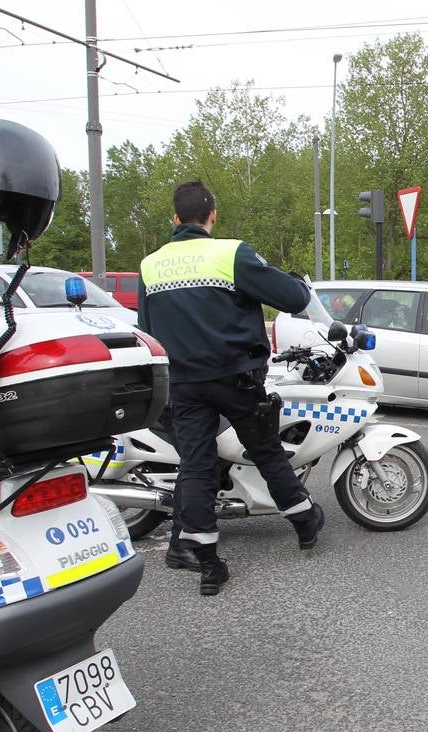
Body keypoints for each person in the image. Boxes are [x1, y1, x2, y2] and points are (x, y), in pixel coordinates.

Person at [138, 181, 325, 596]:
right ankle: (304, 521)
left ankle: (207, 565)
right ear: (212, 215)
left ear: (174, 218)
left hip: (183, 384)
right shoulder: (229, 253)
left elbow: (147, 331)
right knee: (266, 452)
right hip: (235, 379)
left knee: (198, 467)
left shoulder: (150, 266)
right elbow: (293, 298)